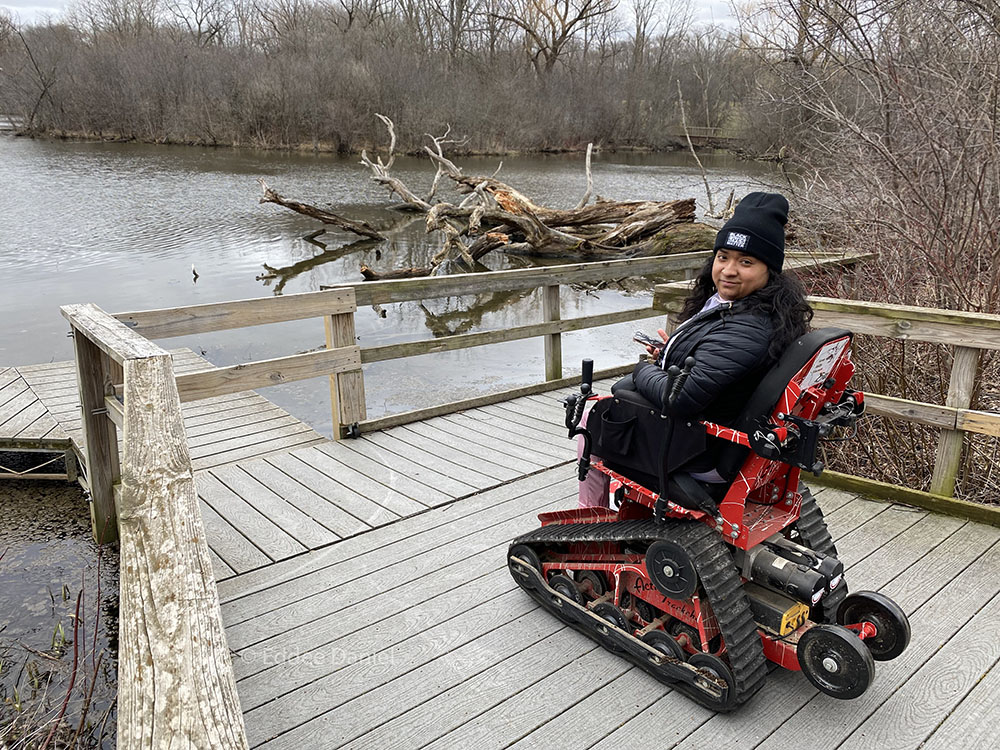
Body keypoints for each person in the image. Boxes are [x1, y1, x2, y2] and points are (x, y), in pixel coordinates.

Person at [578, 191, 813, 508]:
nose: (729, 270)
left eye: (746, 262)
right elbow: (714, 364)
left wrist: (643, 368)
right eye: (723, 256)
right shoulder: (744, 309)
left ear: (769, 270)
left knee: (593, 419)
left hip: (699, 451)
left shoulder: (749, 327)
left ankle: (589, 517)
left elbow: (681, 397)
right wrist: (669, 352)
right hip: (711, 436)